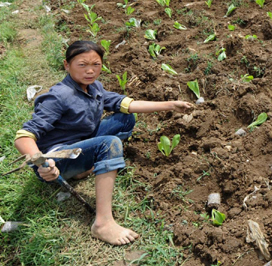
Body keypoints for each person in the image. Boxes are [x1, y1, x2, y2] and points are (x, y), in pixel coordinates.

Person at [14, 41, 193, 245]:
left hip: (80, 143)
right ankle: (102, 224)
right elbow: (24, 136)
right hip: (58, 158)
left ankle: (86, 166)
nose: (90, 70)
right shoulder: (58, 97)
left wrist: (171, 105)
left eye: (96, 64)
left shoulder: (94, 87)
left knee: (125, 118)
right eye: (82, 65)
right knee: (109, 143)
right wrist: (41, 162)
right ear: (67, 65)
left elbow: (127, 104)